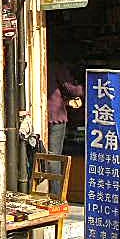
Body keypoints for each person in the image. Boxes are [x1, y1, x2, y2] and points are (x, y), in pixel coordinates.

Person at [46, 59, 84, 199]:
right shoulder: (56, 66)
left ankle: (49, 192)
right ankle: (55, 195)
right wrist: (84, 88)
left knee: (47, 155)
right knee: (54, 156)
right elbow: (71, 88)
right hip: (55, 116)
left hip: (41, 113)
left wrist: (67, 101)